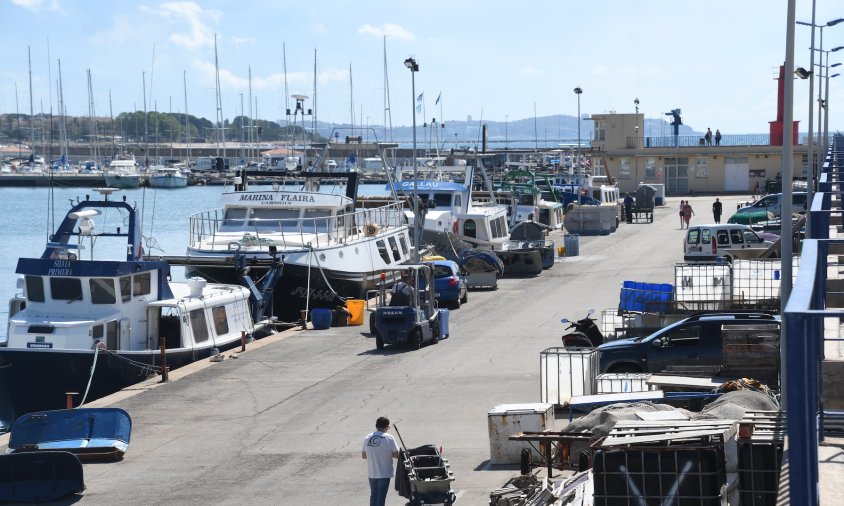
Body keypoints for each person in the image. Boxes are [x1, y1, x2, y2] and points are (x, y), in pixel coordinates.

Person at [362, 416, 400, 506]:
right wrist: (385, 453)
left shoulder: (367, 437)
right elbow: (397, 455)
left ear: (376, 426)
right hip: (384, 473)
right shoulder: (389, 438)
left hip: (372, 473)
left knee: (373, 495)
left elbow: (364, 456)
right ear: (386, 427)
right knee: (381, 497)